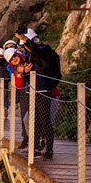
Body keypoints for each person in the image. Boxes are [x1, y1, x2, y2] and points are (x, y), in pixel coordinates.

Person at [14, 27, 61, 160]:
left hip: (42, 90)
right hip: (34, 90)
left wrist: (23, 38)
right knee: (35, 121)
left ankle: (48, 149)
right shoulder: (31, 54)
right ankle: (36, 147)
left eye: (26, 43)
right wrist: (25, 72)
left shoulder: (43, 50)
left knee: (44, 120)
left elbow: (34, 48)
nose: (25, 47)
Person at [4, 47, 31, 149]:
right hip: (23, 92)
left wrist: (23, 72)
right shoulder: (14, 70)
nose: (14, 59)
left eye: (14, 56)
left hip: (34, 91)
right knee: (24, 115)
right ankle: (26, 138)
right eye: (11, 59)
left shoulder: (27, 60)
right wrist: (21, 74)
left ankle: (35, 140)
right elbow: (19, 85)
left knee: (31, 117)